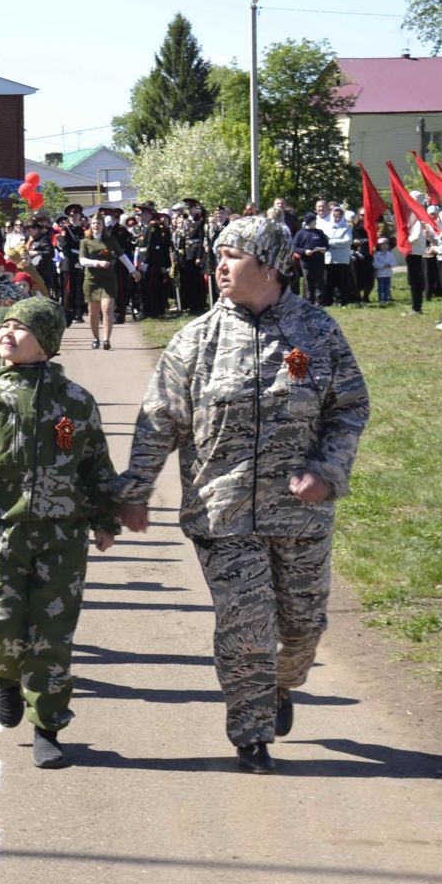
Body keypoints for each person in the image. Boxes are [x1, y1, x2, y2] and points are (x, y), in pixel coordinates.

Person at [116, 217, 370, 773]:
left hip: (300, 513)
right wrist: (134, 492)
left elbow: (349, 407)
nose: (220, 266)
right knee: (245, 624)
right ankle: (250, 733)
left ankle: (281, 686)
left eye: (232, 255)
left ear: (270, 265)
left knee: (302, 626)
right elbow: (158, 421)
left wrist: (327, 471)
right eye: (219, 255)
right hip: (222, 513)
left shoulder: (317, 332)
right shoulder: (196, 338)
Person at [0, 298, 118, 768]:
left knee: (53, 634)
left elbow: (96, 464)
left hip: (62, 537)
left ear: (47, 342)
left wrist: (105, 518)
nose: (6, 333)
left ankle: (49, 725)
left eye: (21, 328)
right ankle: (5, 677)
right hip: (2, 534)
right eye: (6, 326)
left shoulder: (76, 400)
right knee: (3, 624)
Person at [78, 225, 120, 351]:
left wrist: (133, 270)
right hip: (92, 280)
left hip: (108, 279)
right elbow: (82, 261)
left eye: (99, 223)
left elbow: (122, 255)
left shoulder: (111, 241)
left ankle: (106, 339)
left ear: (103, 226)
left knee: (107, 309)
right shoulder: (85, 241)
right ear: (92, 225)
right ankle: (96, 338)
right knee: (93, 312)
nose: (97, 225)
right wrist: (98, 263)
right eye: (95, 223)